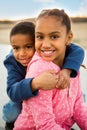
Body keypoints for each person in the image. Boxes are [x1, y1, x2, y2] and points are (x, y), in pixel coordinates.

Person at [14, 9, 87, 130]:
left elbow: (78, 105)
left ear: (68, 38)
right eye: (40, 37)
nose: (46, 44)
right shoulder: (40, 70)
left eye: (54, 36)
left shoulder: (72, 67)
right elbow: (45, 125)